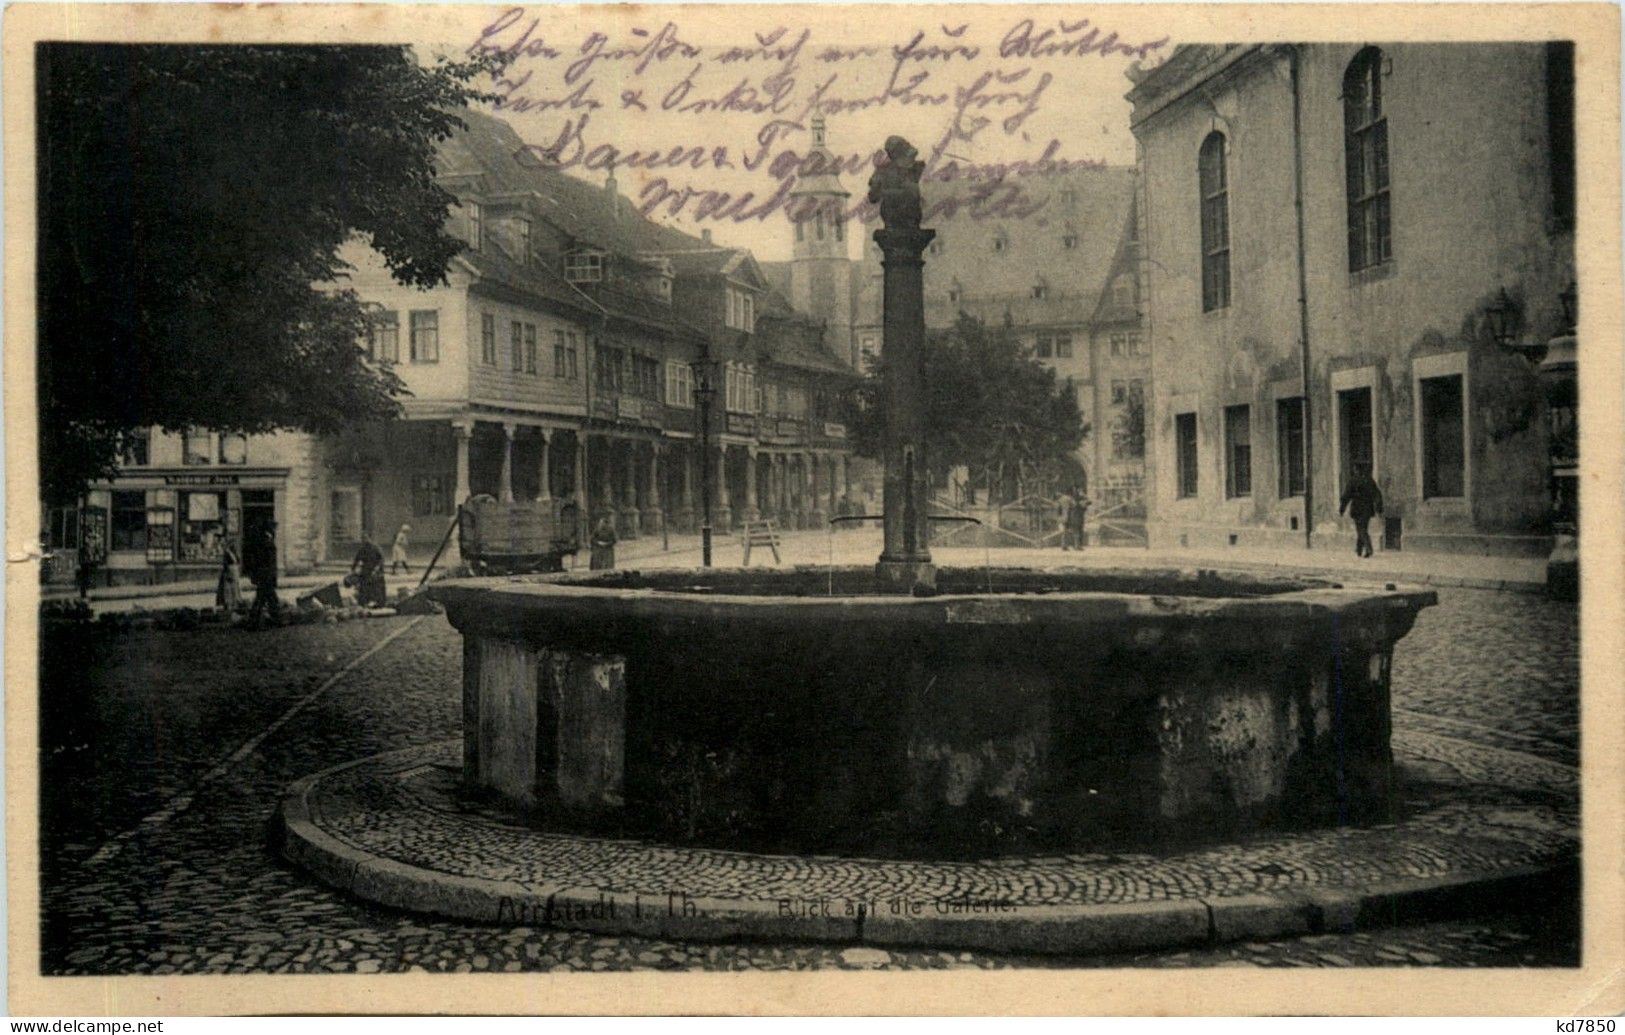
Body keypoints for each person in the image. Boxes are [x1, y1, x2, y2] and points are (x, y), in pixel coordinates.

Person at [1339, 463, 1385, 558]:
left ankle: (1368, 548)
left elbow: (1346, 496)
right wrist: (1378, 507)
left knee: (1361, 529)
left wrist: (1342, 509)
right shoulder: (1369, 480)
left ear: (1356, 470)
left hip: (1357, 508)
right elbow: (1377, 494)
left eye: (1354, 469)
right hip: (1367, 509)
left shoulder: (1353, 481)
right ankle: (1359, 549)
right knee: (1362, 528)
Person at [246, 522, 283, 622]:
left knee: (267, 598)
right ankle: (255, 620)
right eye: (275, 528)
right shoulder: (265, 541)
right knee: (264, 598)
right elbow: (265, 561)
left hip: (266, 574)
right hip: (266, 575)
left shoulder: (267, 540)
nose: (276, 530)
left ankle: (274, 618)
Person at [351, 532, 387, 607]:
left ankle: (378, 602)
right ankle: (364, 602)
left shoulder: (376, 548)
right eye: (363, 539)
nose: (365, 540)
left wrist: (377, 568)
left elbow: (381, 559)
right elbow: (357, 559)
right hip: (366, 569)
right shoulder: (362, 549)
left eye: (366, 538)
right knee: (364, 586)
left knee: (377, 586)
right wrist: (353, 569)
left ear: (370, 538)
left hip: (376, 569)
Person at [215, 540, 242, 612]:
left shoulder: (234, 553)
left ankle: (235, 603)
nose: (233, 546)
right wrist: (227, 573)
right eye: (232, 544)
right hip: (229, 572)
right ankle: (228, 604)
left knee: (235, 588)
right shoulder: (227, 553)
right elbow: (225, 564)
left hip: (235, 571)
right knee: (228, 589)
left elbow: (238, 561)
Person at [1065, 485, 1090, 551]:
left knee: (1078, 532)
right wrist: (1083, 496)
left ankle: (1076, 545)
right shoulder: (1075, 500)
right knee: (1077, 532)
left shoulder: (1077, 500)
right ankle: (1077, 546)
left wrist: (1083, 496)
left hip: (1077, 518)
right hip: (1076, 518)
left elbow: (1089, 502)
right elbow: (1087, 502)